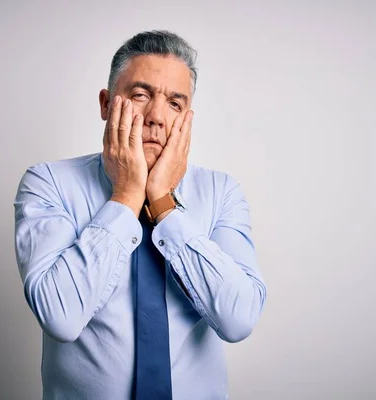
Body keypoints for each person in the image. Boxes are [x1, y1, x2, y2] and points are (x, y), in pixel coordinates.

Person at [13, 30, 267, 400]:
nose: (156, 117)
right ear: (106, 104)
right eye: (140, 95)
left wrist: (164, 204)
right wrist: (127, 195)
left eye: (175, 104)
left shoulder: (222, 191)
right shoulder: (48, 183)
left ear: (188, 118)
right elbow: (60, 316)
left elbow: (238, 319)